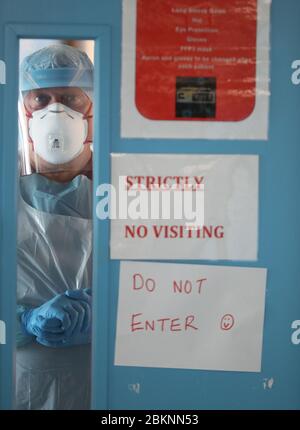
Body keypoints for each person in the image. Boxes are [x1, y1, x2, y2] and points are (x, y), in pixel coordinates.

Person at [16, 44, 94, 410]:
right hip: (23, 388)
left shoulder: (125, 189)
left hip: (105, 384)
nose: (54, 110)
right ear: (24, 110)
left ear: (92, 107)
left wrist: (111, 317)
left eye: (69, 98)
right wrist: (25, 321)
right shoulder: (6, 193)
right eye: (40, 98)